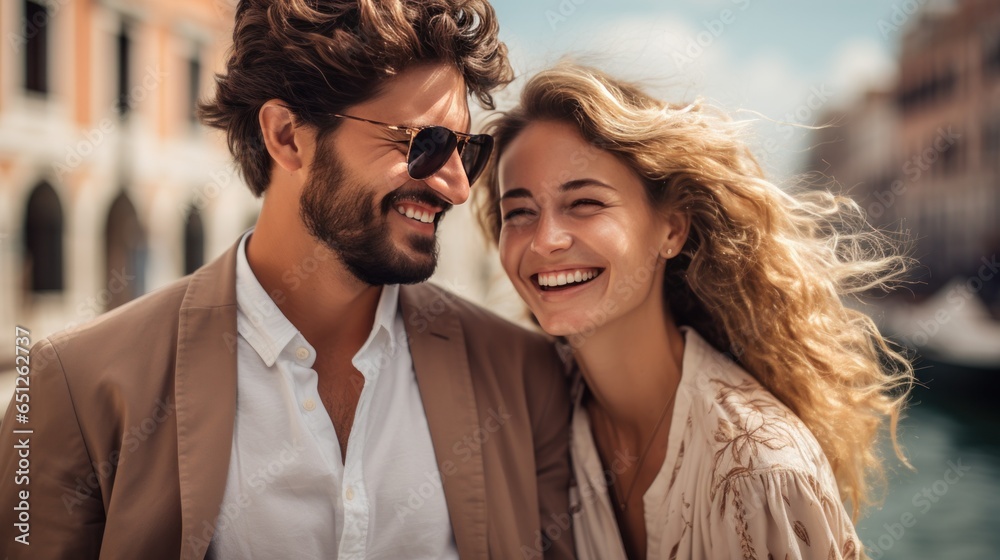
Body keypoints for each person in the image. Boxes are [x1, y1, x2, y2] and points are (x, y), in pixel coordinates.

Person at [0, 2, 577, 559]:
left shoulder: (522, 375)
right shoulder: (74, 389)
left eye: (466, 150)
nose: (457, 187)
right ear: (286, 136)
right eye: (423, 145)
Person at [477, 63, 914, 560]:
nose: (545, 240)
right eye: (520, 212)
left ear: (671, 230)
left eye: (585, 203)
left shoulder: (760, 470)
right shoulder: (535, 417)